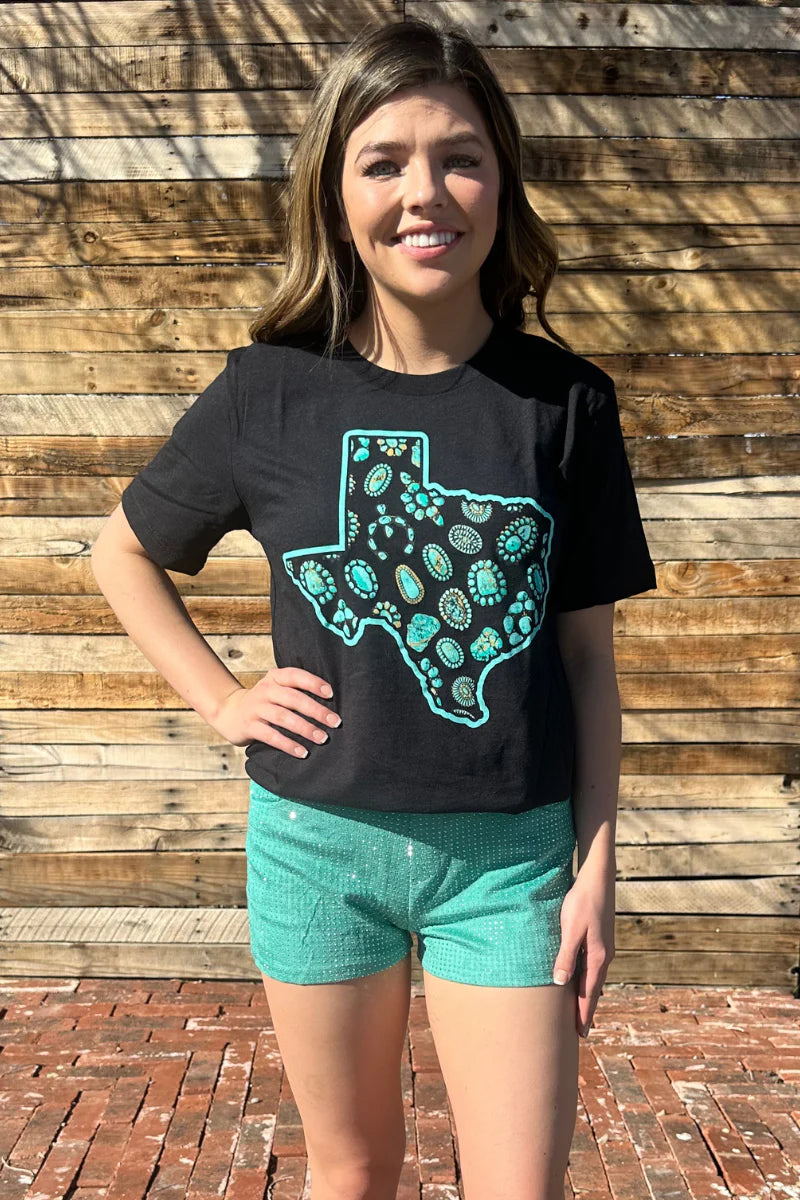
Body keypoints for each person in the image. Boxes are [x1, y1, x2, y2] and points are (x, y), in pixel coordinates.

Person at [91, 15, 657, 1200]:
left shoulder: (561, 404)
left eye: (458, 158)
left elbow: (587, 665)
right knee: (349, 1174)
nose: (423, 193)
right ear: (334, 193)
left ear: (500, 180)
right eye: (382, 162)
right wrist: (222, 701)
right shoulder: (267, 393)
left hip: (508, 861)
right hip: (315, 848)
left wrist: (596, 869)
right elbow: (123, 554)